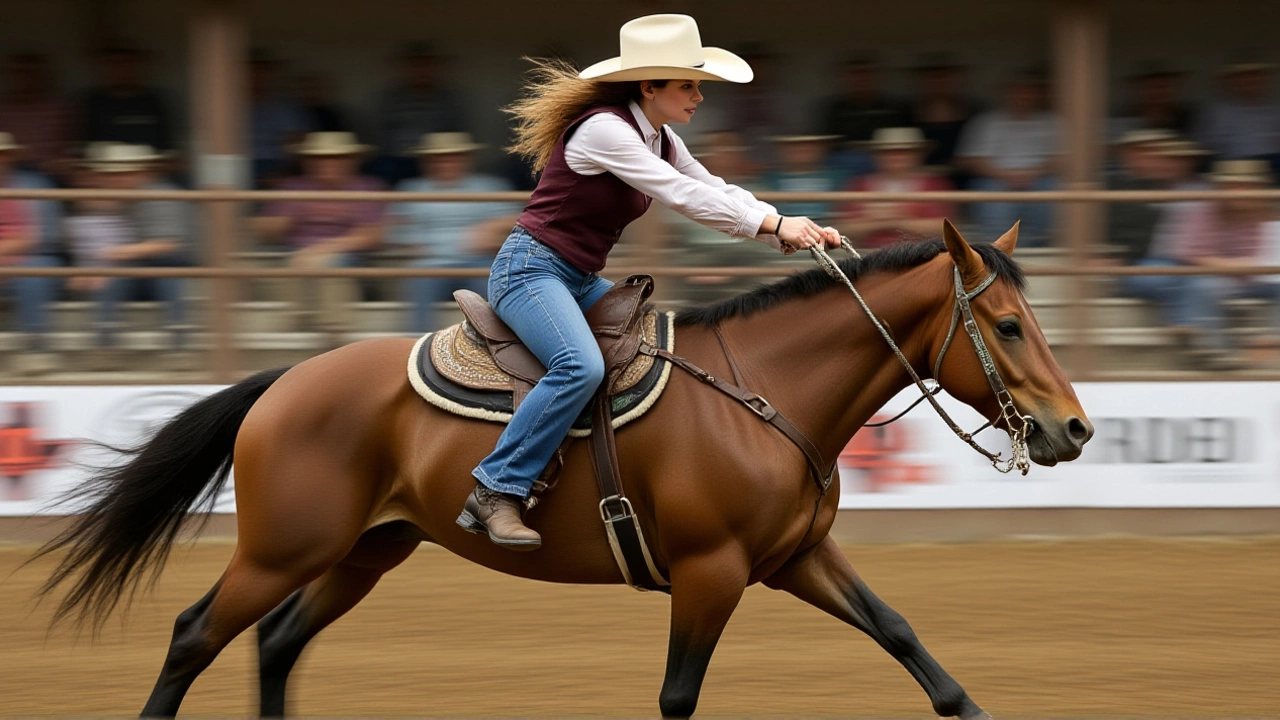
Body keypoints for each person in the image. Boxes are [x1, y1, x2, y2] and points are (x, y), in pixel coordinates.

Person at [456, 13, 842, 550]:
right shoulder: (604, 131)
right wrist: (775, 226)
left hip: (574, 275)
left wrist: (784, 225)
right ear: (648, 86)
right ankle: (497, 488)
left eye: (696, 85)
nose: (698, 97)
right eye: (688, 84)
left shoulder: (658, 137)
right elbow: (680, 196)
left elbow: (714, 187)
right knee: (580, 366)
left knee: (659, 352)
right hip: (530, 270)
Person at [64, 142, 191, 363]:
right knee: (116, 277)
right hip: (137, 269)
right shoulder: (120, 200)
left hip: (167, 266)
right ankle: (105, 344)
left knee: (166, 275)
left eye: (122, 173)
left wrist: (110, 256)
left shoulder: (162, 196)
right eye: (109, 174)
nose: (114, 179)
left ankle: (178, 344)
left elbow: (168, 244)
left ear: (143, 172)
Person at [255, 132, 385, 335]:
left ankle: (332, 330)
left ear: (352, 161)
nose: (327, 163)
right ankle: (299, 325)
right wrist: (290, 214)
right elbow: (267, 231)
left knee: (329, 266)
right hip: (295, 253)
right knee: (280, 264)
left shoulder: (367, 187)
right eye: (319, 158)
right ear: (306, 162)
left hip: (347, 257)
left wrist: (319, 252)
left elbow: (371, 236)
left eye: (336, 158)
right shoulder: (293, 187)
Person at [388, 132, 520, 331]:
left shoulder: (490, 186)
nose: (447, 163)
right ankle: (415, 346)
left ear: (467, 160)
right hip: (430, 262)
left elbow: (519, 222)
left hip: (479, 259)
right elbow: (393, 230)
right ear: (426, 162)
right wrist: (414, 243)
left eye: (454, 157)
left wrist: (491, 229)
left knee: (493, 285)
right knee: (418, 283)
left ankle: (496, 345)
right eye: (440, 158)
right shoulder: (410, 188)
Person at [956, 70, 1061, 246]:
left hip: (1042, 178)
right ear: (1005, 94)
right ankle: (999, 250)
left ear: (1038, 95)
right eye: (1017, 91)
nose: (1023, 96)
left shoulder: (1054, 122)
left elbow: (1066, 158)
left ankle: (1041, 246)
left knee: (1054, 189)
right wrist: (1006, 175)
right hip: (995, 179)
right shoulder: (985, 122)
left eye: (1029, 91)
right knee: (991, 193)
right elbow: (970, 160)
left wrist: (1033, 173)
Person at [837, 127, 956, 249]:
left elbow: (945, 229)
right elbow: (844, 229)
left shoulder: (935, 184)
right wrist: (883, 221)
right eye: (887, 152)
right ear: (875, 155)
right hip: (869, 256)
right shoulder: (858, 185)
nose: (896, 157)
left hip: (922, 256)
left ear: (919, 154)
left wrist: (896, 221)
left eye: (905, 152)